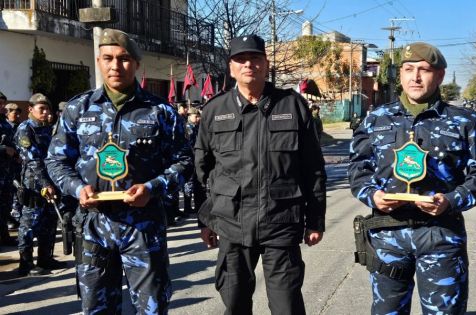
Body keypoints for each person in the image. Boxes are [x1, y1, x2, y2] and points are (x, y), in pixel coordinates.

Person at [45, 28, 193, 314]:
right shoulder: (78, 109)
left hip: (143, 225)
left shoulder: (160, 112)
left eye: (124, 58)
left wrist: (152, 188)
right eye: (108, 58)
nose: (116, 66)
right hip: (93, 226)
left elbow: (184, 161)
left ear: (137, 64)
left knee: (151, 308)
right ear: (99, 61)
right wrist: (77, 188)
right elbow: (56, 161)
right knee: (96, 308)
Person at [348, 42, 476, 314]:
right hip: (387, 235)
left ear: (439, 75)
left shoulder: (464, 120)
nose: (415, 77)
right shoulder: (376, 119)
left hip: (441, 234)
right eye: (408, 69)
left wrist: (452, 200)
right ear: (401, 75)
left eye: (424, 70)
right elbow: (358, 169)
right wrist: (372, 195)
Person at [195, 34, 326, 315]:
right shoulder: (214, 110)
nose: (248, 64)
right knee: (235, 304)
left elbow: (312, 168)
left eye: (255, 58)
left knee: (287, 307)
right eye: (240, 59)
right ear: (231, 67)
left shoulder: (292, 106)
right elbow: (201, 170)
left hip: (281, 222)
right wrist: (205, 220)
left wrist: (315, 219)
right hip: (231, 224)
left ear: (266, 64)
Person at [14, 93, 65, 276]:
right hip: (33, 185)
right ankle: (25, 264)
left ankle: (45, 258)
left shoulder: (47, 128)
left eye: (47, 109)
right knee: (29, 224)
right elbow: (33, 160)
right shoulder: (25, 129)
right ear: (30, 109)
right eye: (41, 109)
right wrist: (45, 182)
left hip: (50, 183)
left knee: (49, 222)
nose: (45, 112)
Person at [0, 93, 19, 247]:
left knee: (5, 205)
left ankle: (4, 235)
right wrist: (3, 148)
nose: (1, 107)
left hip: (7, 172)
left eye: (2, 104)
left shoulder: (4, 124)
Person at [183, 106, 206, 216]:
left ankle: (195, 206)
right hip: (191, 159)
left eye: (198, 116)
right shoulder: (188, 128)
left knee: (195, 183)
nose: (198, 119)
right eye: (195, 116)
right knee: (189, 183)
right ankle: (187, 206)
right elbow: (189, 146)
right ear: (189, 116)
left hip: (196, 158)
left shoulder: (195, 127)